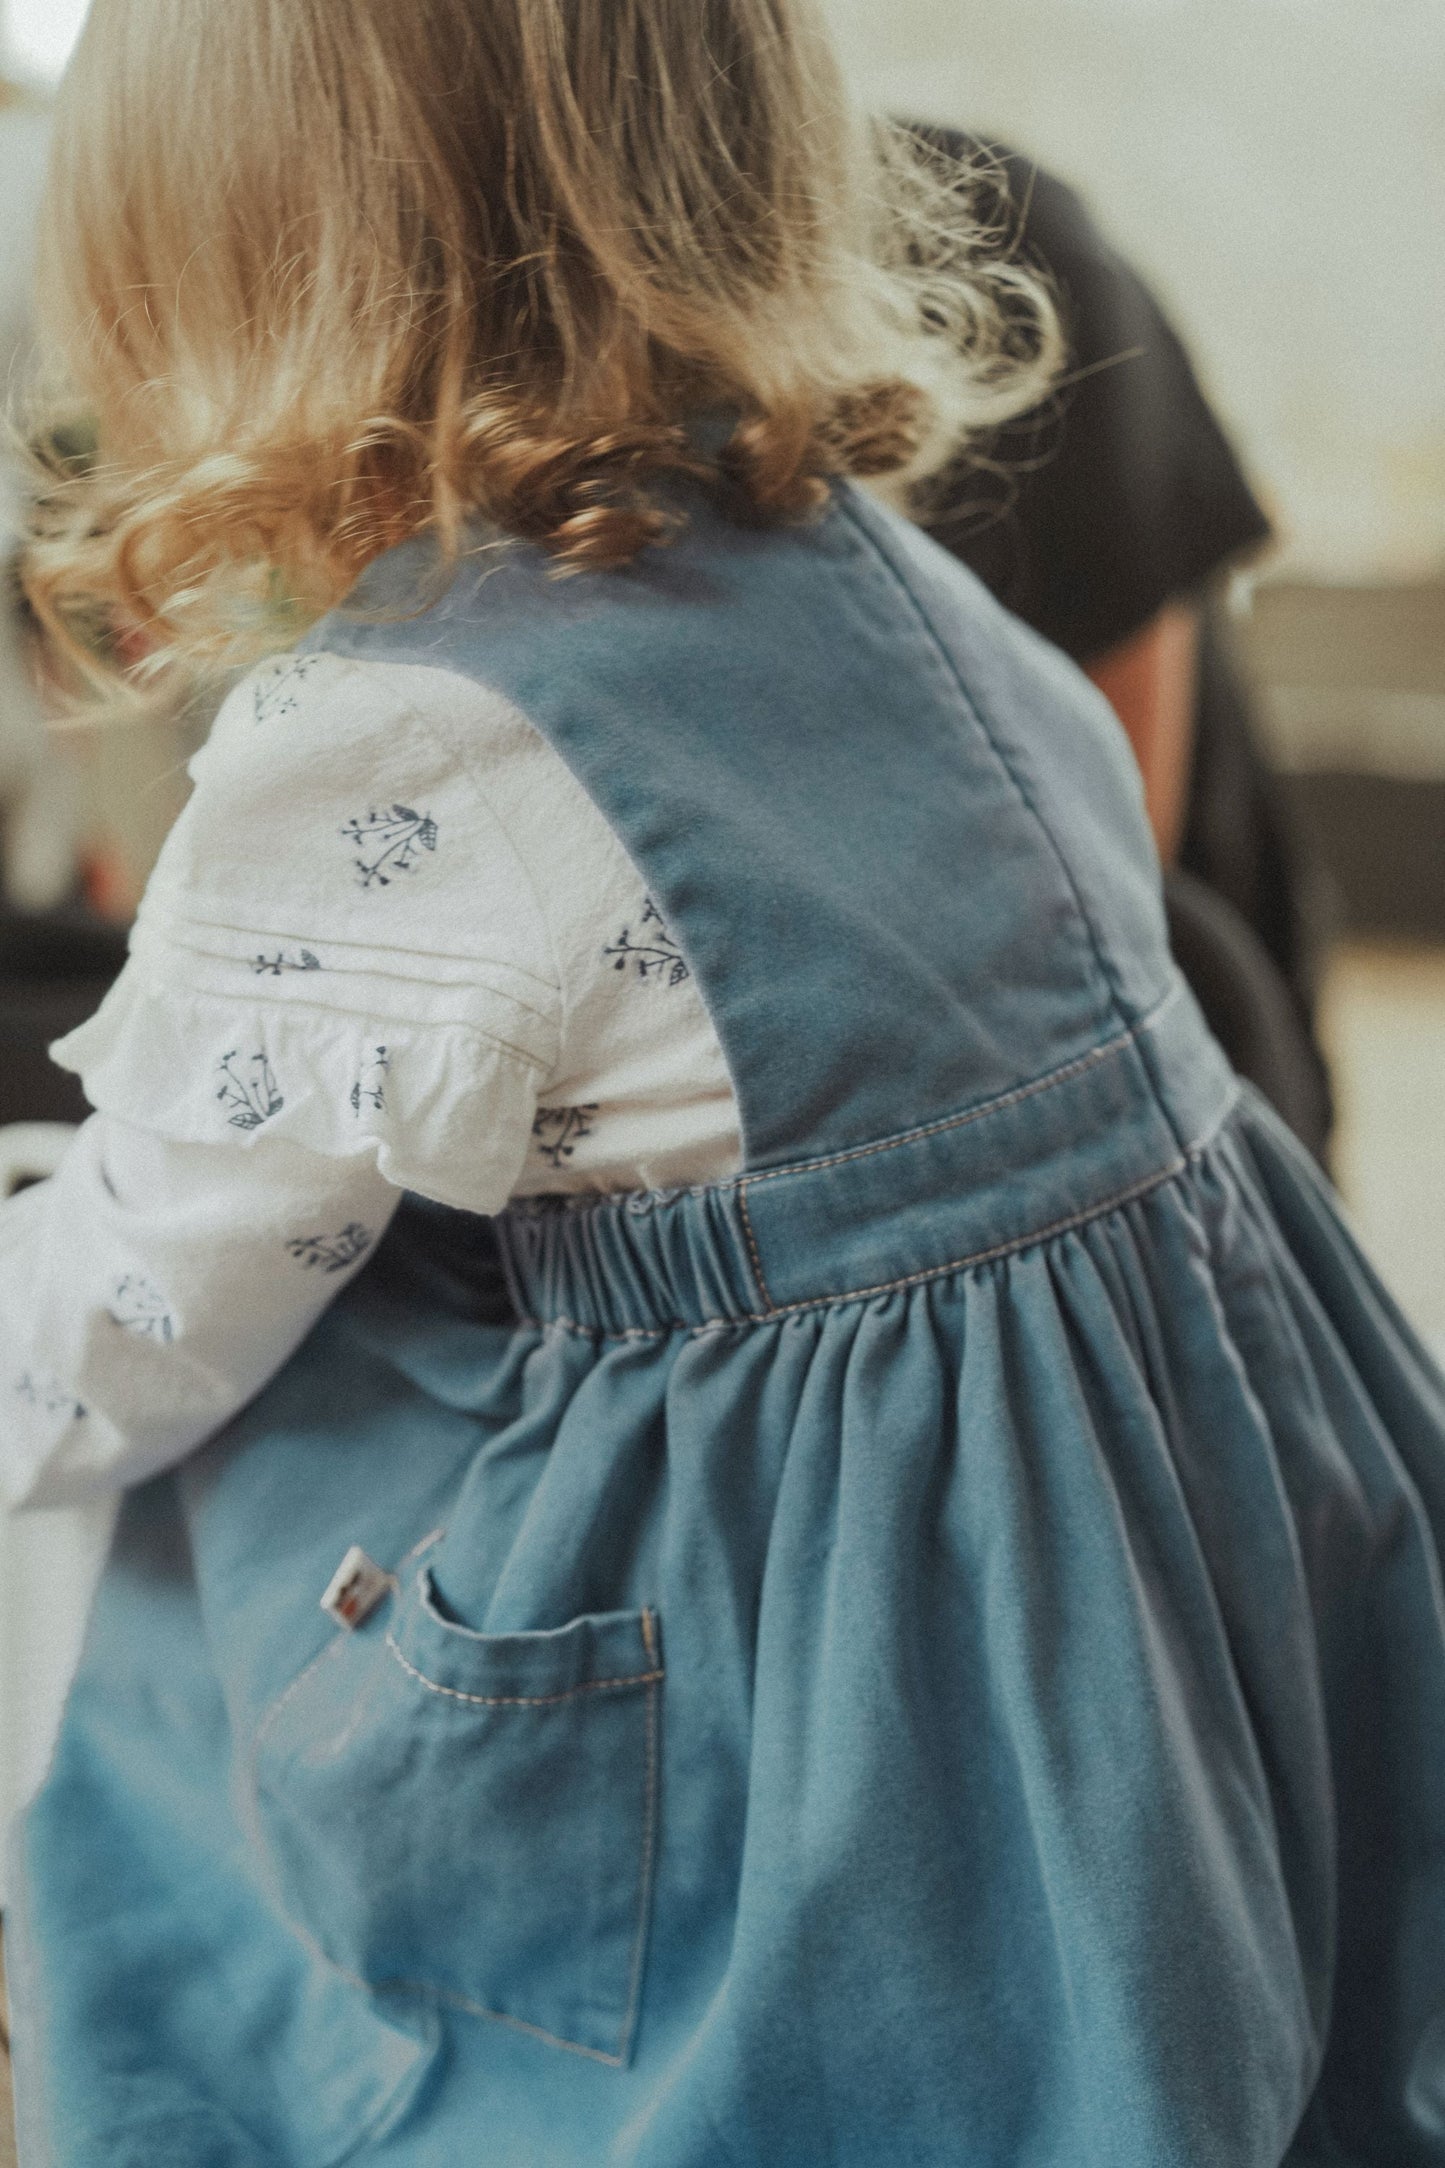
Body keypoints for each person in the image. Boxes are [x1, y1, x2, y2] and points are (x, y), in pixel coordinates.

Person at [4, 5, 1445, 2163]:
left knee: (179, 1561)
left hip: (826, 1723)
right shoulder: (904, 583)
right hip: (1138, 1610)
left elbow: (124, 1324)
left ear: (212, 277)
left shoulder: (397, 749)